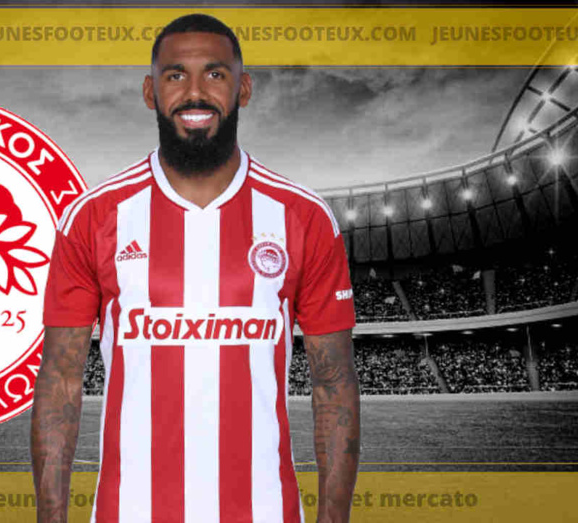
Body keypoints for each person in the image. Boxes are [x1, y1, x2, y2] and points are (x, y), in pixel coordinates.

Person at [32, 13, 360, 523]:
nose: (194, 92)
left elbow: (333, 384)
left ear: (243, 88)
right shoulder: (94, 217)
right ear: (150, 92)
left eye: (214, 73)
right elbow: (60, 380)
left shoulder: (303, 217)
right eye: (175, 75)